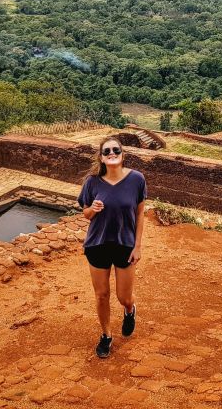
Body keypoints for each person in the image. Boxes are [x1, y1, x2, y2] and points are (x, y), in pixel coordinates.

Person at [78, 136, 146, 358]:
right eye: (106, 151)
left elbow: (139, 214)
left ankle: (129, 310)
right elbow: (86, 213)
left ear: (122, 154)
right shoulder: (93, 182)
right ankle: (106, 336)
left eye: (116, 149)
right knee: (101, 295)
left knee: (123, 296)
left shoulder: (137, 179)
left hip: (124, 244)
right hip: (97, 244)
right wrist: (93, 209)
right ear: (101, 157)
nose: (111, 153)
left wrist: (137, 246)